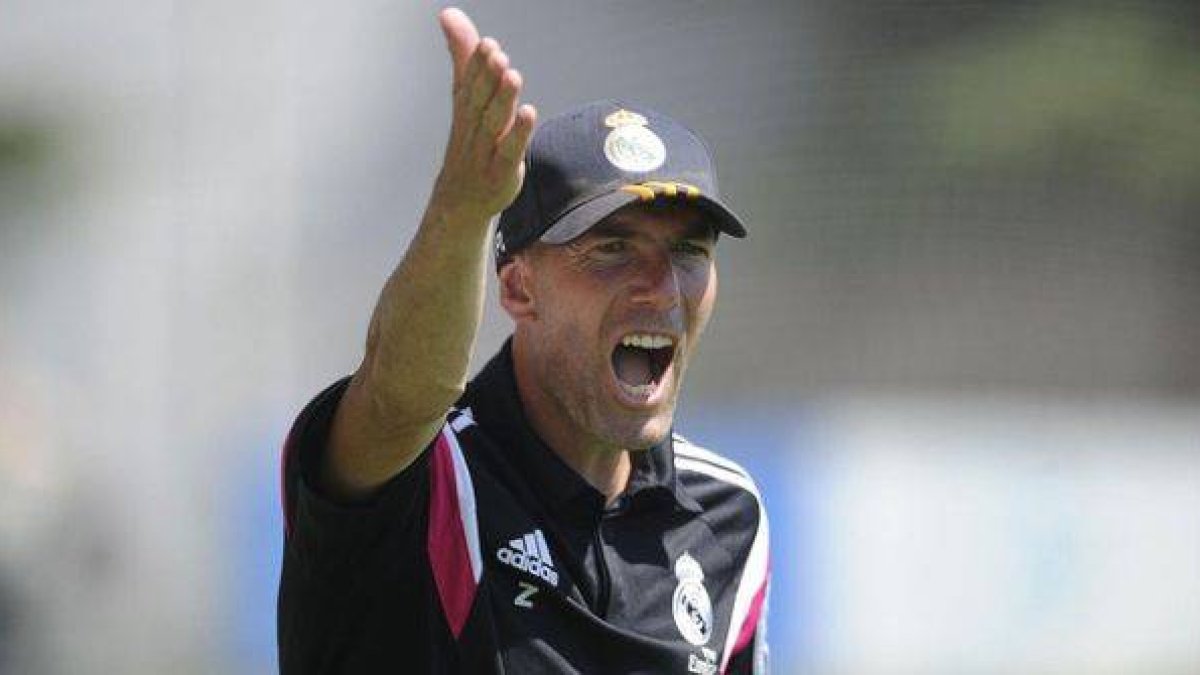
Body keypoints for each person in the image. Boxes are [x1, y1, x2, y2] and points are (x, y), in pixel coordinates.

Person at [278, 7, 770, 674]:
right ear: (517, 289)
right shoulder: (427, 481)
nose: (661, 288)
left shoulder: (729, 517)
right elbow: (400, 397)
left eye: (688, 251)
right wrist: (463, 210)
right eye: (612, 249)